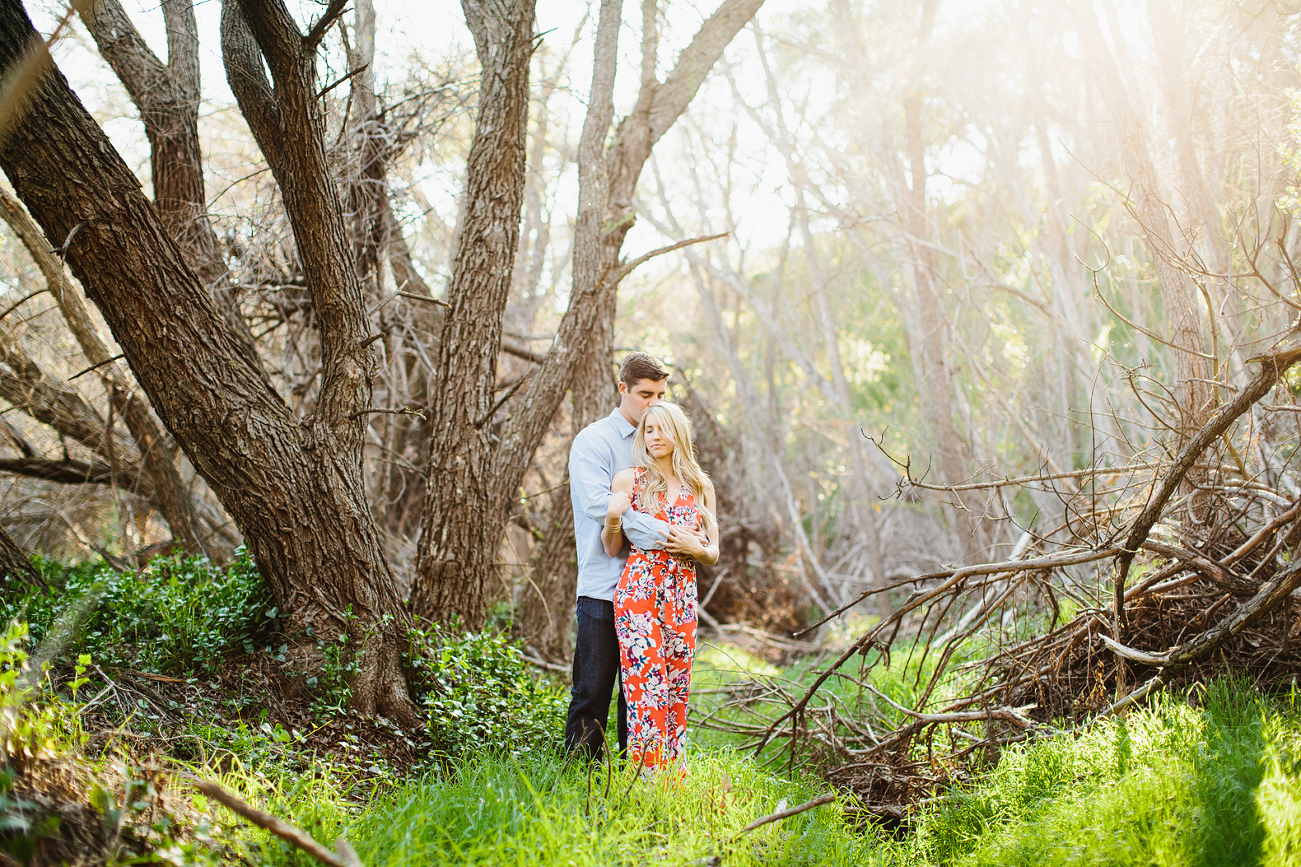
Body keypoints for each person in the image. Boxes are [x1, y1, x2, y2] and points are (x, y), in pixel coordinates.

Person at [563, 352, 673, 759]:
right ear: (622, 388)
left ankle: (633, 779)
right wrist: (669, 535)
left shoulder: (664, 444)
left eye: (661, 394)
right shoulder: (593, 441)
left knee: (638, 692)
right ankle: (581, 775)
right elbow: (601, 505)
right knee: (592, 687)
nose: (654, 404)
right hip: (605, 586)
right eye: (646, 394)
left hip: (652, 589)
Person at [602, 401, 718, 774]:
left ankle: (673, 777)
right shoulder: (629, 480)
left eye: (662, 429)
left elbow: (713, 552)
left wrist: (695, 548)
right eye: (648, 430)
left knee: (676, 686)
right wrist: (612, 517)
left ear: (678, 432)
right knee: (644, 688)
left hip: (682, 597)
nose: (654, 437)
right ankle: (646, 779)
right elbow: (611, 547)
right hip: (639, 593)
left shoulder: (700, 485)